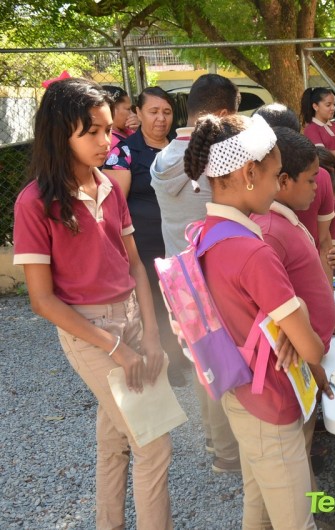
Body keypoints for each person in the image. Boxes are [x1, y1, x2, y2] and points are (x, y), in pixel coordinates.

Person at [13, 77, 172, 529]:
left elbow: (135, 265)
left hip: (132, 319)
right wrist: (116, 348)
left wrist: (152, 335)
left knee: (115, 437)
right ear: (60, 134)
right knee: (153, 443)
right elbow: (42, 300)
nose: (107, 141)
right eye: (93, 132)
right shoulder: (35, 203)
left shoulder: (109, 186)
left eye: (108, 129)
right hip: (89, 333)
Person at [183, 113, 323, 530]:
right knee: (296, 521)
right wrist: (298, 313)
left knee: (259, 504)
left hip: (240, 392)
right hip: (271, 403)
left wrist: (285, 322)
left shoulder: (207, 233)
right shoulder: (253, 252)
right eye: (276, 176)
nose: (279, 186)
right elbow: (312, 348)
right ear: (249, 174)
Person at [150, 74, 242, 474]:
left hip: (179, 278)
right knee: (223, 359)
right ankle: (227, 452)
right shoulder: (217, 159)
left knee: (203, 357)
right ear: (222, 113)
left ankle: (212, 438)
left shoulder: (162, 158)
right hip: (214, 275)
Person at [251, 128, 335, 493]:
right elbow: (275, 308)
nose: (317, 188)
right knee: (294, 457)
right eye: (311, 180)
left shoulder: (287, 218)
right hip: (299, 361)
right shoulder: (271, 229)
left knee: (302, 444)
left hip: (309, 352)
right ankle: (302, 509)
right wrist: (313, 364)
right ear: (283, 181)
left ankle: (305, 503)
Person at [102, 87, 188, 386]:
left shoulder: (181, 148)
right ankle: (167, 359)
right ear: (138, 113)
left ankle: (188, 352)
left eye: (167, 112)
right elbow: (114, 208)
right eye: (153, 112)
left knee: (183, 299)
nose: (161, 119)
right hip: (145, 245)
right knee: (154, 301)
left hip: (180, 241)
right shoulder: (124, 153)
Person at [258, 103, 335, 282]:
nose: (314, 186)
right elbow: (324, 242)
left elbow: (325, 244)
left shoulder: (317, 177)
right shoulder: (268, 227)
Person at [101, 85, 139, 150]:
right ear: (112, 109)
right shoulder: (112, 142)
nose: (132, 114)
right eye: (128, 109)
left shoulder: (128, 130)